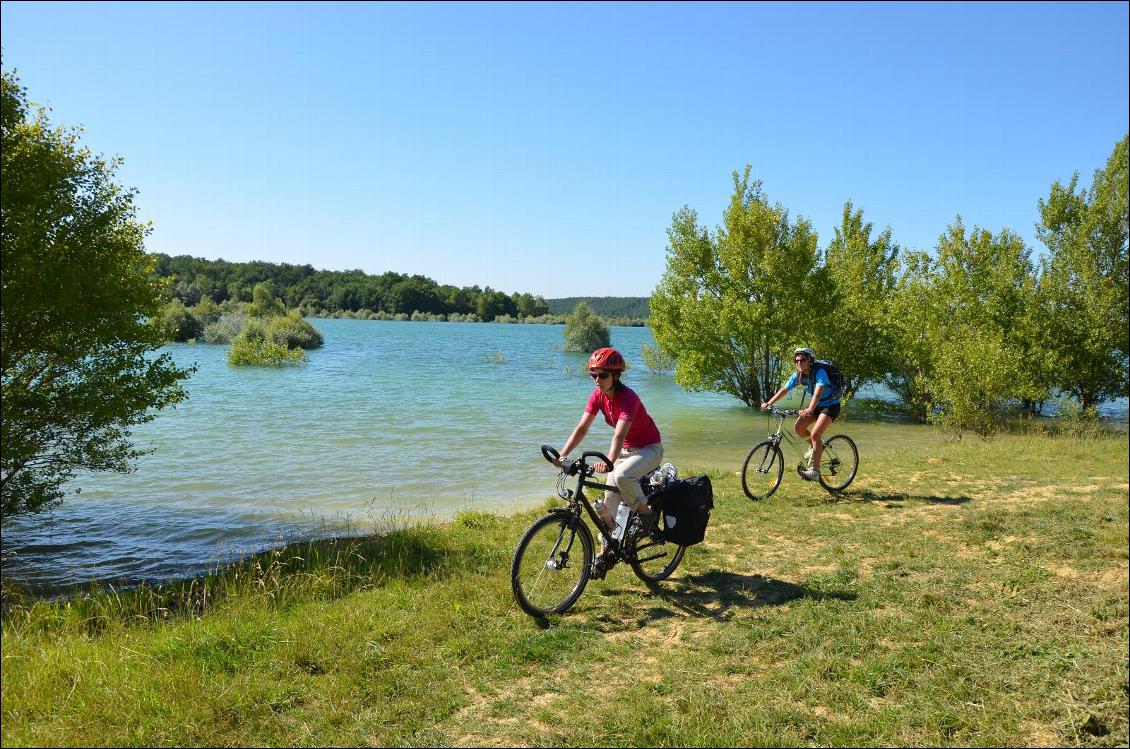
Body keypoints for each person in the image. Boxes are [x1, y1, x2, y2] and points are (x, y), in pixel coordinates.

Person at [554, 347, 664, 553]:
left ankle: (646, 514)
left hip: (649, 449)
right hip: (627, 451)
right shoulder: (597, 396)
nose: (597, 379)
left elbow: (619, 436)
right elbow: (582, 428)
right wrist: (562, 455)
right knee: (608, 507)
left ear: (615, 375)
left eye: (602, 375)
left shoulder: (628, 398)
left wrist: (609, 462)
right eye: (593, 375)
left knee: (622, 476)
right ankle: (606, 554)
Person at [760, 347, 841, 481]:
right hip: (818, 405)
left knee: (815, 434)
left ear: (810, 360)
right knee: (798, 427)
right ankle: (816, 446)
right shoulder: (798, 375)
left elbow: (817, 394)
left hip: (831, 405)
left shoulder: (820, 372)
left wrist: (809, 410)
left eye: (802, 360)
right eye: (796, 360)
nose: (798, 362)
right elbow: (784, 390)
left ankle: (815, 471)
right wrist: (769, 402)